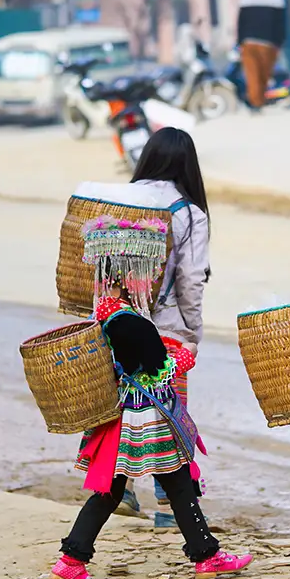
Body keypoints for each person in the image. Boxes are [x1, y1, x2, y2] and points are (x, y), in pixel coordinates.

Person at [50, 214, 251, 579]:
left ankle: (204, 553)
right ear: (129, 274)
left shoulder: (106, 314)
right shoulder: (131, 322)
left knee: (162, 484)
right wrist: (187, 355)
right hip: (145, 416)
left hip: (123, 415)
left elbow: (137, 358)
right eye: (148, 271)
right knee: (148, 485)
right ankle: (73, 561)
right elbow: (159, 372)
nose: (154, 277)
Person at [74, 128, 212, 527]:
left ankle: (122, 488)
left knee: (118, 412)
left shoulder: (120, 200)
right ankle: (171, 505)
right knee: (167, 414)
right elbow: (192, 278)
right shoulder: (188, 212)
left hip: (110, 319)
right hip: (164, 326)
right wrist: (193, 332)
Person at [236, 0, 286, 112]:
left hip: (249, 42)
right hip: (268, 43)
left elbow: (241, 23)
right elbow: (280, 25)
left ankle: (256, 102)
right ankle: (259, 101)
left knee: (252, 74)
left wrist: (240, 42)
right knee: (265, 73)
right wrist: (279, 42)